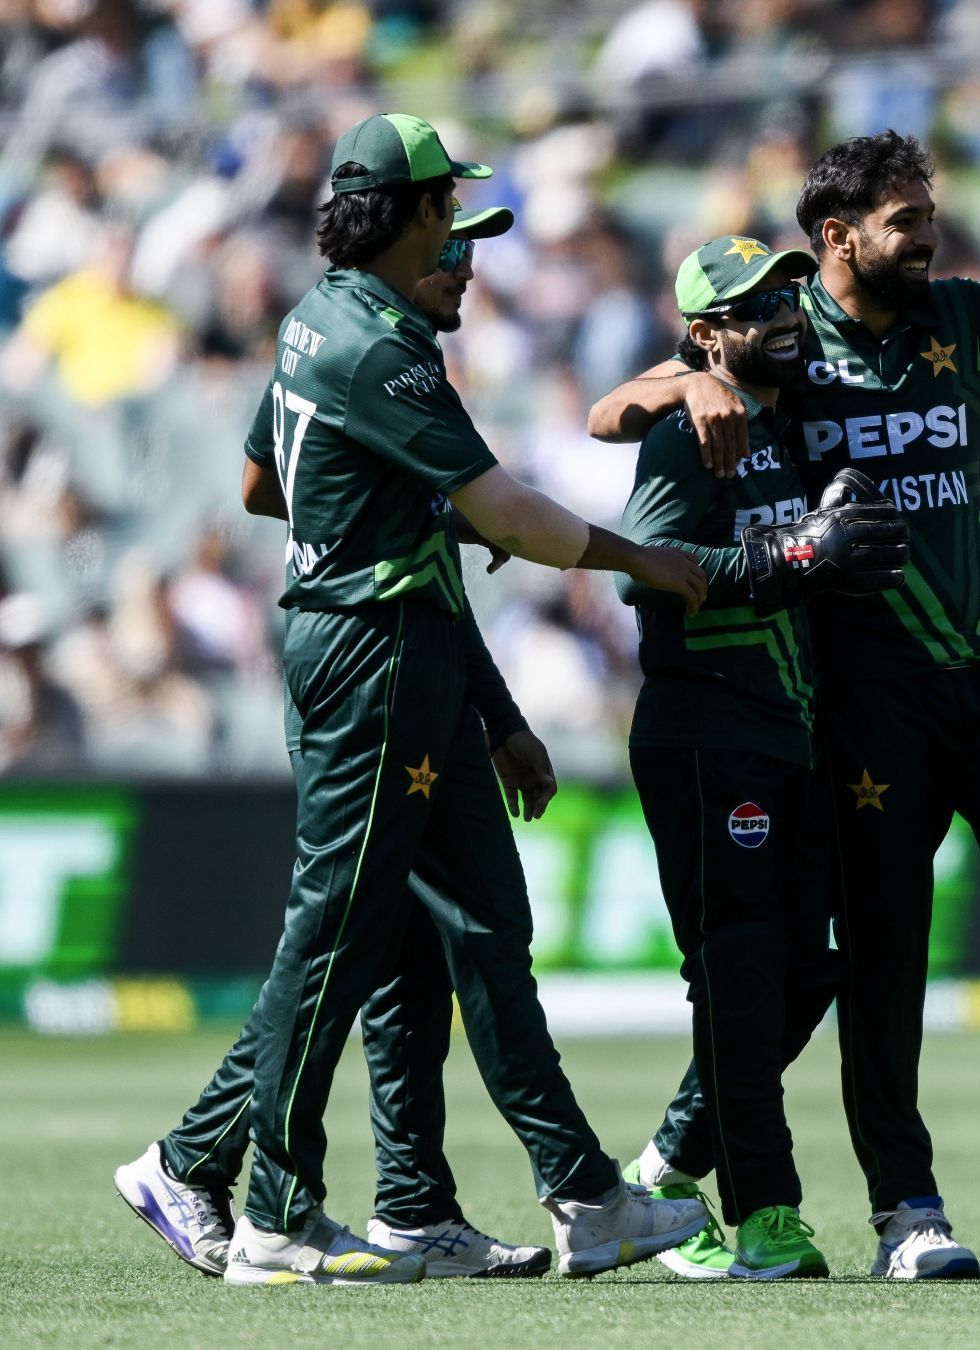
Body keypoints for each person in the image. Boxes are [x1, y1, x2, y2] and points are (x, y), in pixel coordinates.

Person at [111, 113, 709, 1286]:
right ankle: (230, 1186)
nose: (469, 253)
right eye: (454, 219)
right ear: (418, 212)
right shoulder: (376, 351)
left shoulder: (321, 321)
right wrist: (647, 560)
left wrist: (479, 684)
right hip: (370, 653)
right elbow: (513, 522)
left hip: (410, 648)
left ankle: (552, 1200)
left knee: (479, 930)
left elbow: (260, 484)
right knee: (341, 928)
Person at [588, 120, 980, 1277]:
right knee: (884, 955)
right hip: (865, 700)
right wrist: (691, 376)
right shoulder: (790, 348)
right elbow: (613, 412)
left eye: (931, 215)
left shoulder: (966, 317)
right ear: (839, 237)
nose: (931, 236)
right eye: (908, 221)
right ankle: (906, 1208)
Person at [615, 236, 907, 1280]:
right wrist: (792, 558)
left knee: (807, 970)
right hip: (707, 730)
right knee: (740, 979)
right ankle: (766, 1219)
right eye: (750, 306)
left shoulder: (782, 423)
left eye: (786, 291)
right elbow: (646, 573)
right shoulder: (692, 433)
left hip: (784, 731)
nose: (782, 312)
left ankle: (659, 1170)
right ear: (704, 336)